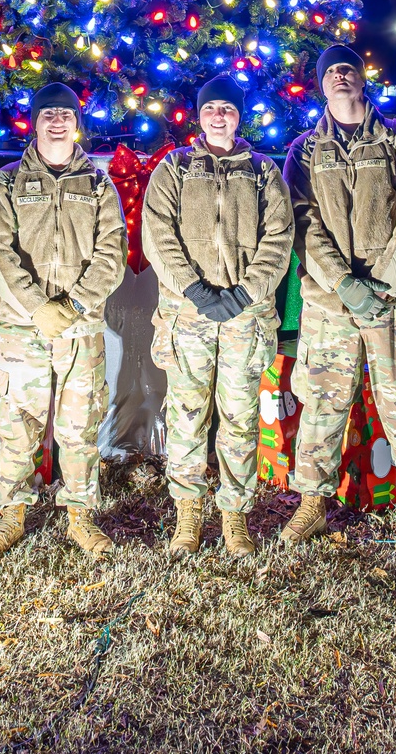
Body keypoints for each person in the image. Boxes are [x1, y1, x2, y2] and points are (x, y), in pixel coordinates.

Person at [282, 44, 396, 562]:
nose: (341, 76)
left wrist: (383, 285)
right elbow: (303, 221)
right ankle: (312, 503)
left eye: (349, 69)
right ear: (320, 85)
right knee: (321, 405)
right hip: (331, 303)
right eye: (331, 72)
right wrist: (346, 285)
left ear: (362, 80)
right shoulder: (303, 150)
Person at [141, 74, 295, 558]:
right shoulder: (176, 167)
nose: (219, 116)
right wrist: (194, 289)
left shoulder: (264, 171)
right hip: (188, 313)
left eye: (228, 109)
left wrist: (245, 293)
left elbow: (279, 238)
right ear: (199, 116)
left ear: (239, 116)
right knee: (187, 414)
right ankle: (188, 514)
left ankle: (234, 516)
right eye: (211, 110)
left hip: (245, 317)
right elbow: (157, 232)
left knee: (239, 415)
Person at [0, 83, 127, 560]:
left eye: (65, 115)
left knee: (80, 422)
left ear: (77, 123)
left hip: (80, 327)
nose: (57, 122)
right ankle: (11, 515)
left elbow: (112, 253)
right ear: (35, 123)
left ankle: (80, 516)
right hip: (24, 325)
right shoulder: (6, 181)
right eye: (48, 115)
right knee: (16, 421)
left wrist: (74, 305)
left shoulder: (99, 185)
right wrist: (37, 307)